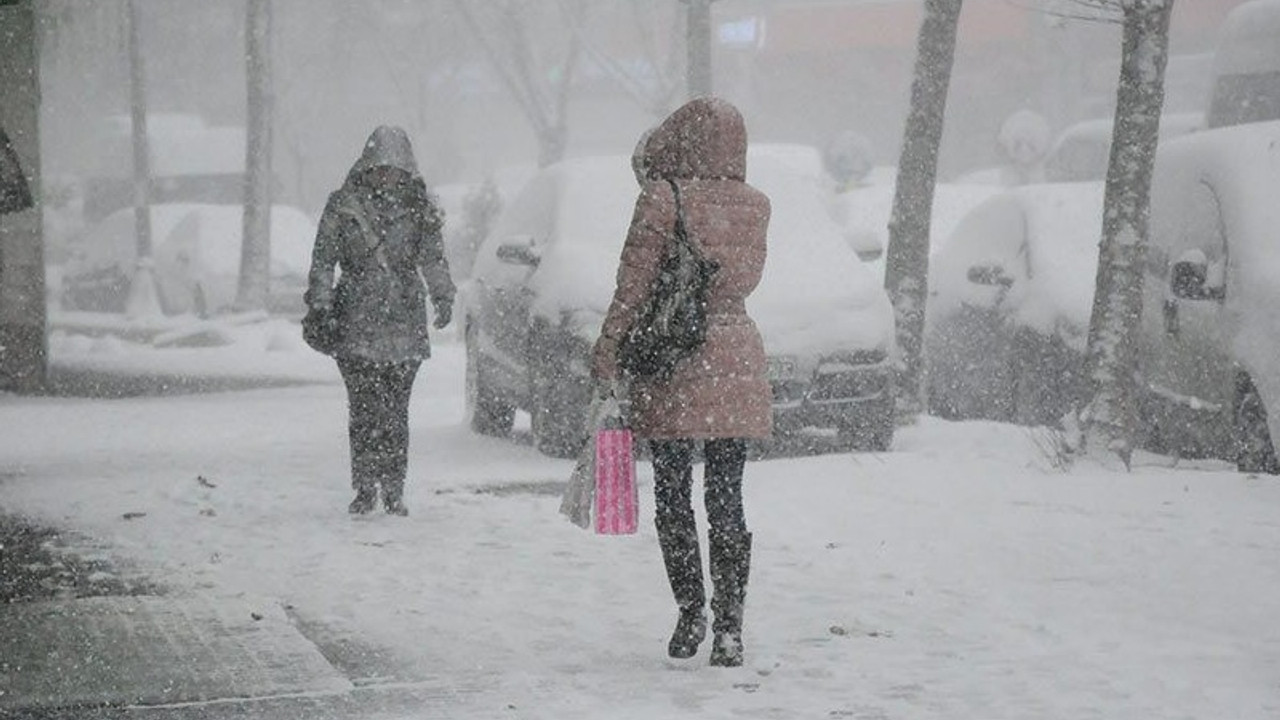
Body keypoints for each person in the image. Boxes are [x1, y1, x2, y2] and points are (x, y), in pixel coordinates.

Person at [591, 97, 772, 667]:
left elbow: (634, 285)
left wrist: (610, 347)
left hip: (673, 357)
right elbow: (738, 279)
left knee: (673, 494)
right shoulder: (756, 205)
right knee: (727, 497)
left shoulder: (662, 199)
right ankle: (731, 626)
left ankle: (691, 609)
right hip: (737, 354)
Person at [305, 126, 455, 516]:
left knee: (395, 412)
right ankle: (365, 486)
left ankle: (393, 487)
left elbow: (433, 258)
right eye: (380, 166)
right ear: (367, 165)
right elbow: (323, 260)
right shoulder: (344, 205)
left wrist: (443, 296)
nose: (386, 174)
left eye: (394, 167)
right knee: (364, 409)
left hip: (404, 320)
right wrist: (320, 306)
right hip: (355, 322)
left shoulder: (420, 207)